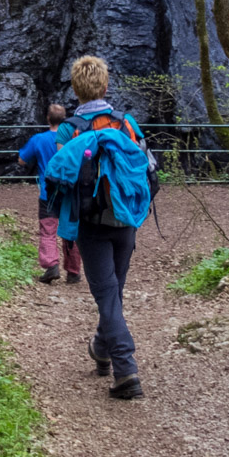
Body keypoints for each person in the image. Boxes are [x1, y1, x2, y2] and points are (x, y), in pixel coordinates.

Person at [44, 55, 157, 401]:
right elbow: (148, 165)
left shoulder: (69, 129)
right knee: (114, 292)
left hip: (89, 223)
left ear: (76, 91)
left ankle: (126, 371)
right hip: (126, 220)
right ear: (106, 87)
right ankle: (102, 349)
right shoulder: (126, 123)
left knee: (108, 295)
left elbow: (61, 176)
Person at [18, 104, 82, 285]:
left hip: (48, 192)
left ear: (47, 118)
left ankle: (51, 266)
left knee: (48, 230)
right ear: (65, 119)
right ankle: (73, 271)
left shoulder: (38, 139)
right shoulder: (73, 137)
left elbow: (22, 160)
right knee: (71, 231)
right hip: (70, 190)